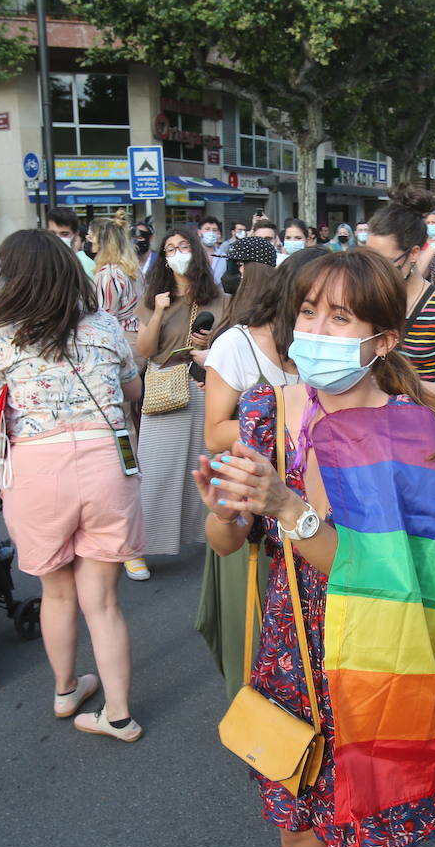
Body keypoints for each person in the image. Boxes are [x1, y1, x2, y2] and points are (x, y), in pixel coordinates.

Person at [195, 249, 435, 847]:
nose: (315, 330)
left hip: (387, 660)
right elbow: (227, 543)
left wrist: (287, 507)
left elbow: (389, 577)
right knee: (300, 827)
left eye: (340, 318)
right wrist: (227, 514)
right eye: (307, 312)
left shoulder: (414, 430)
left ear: (383, 339)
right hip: (297, 657)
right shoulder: (266, 414)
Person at [0, 229, 147, 740]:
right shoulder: (106, 327)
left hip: (35, 469)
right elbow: (133, 389)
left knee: (55, 592)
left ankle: (65, 687)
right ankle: (118, 713)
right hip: (105, 462)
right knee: (103, 600)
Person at [196, 242, 307, 697]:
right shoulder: (236, 343)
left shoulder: (327, 350)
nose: (322, 320)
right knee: (260, 627)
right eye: (312, 305)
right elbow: (215, 430)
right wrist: (284, 424)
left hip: (315, 505)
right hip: (255, 504)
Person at [135, 228, 228, 561]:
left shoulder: (218, 297)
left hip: (203, 383)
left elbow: (229, 346)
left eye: (183, 246)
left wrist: (209, 345)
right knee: (158, 468)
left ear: (197, 251)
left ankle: (207, 537)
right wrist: (159, 311)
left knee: (203, 465)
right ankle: (140, 547)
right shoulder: (153, 297)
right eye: (170, 248)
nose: (177, 253)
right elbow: (145, 350)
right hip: (164, 383)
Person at [364, 185, 435, 409]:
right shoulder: (365, 297)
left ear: (414, 253)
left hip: (422, 430)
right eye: (368, 258)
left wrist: (395, 386)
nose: (374, 270)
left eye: (384, 262)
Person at [87, 217, 143, 356]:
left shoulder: (109, 273)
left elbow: (104, 317)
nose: (88, 239)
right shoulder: (133, 269)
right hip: (139, 336)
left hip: (121, 341)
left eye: (91, 235)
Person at [47, 208, 95, 278]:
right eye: (52, 233)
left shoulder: (85, 265)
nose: (57, 238)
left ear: (75, 235)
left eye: (64, 234)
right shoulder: (43, 260)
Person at [198, 215, 227, 284]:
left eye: (214, 230)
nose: (211, 233)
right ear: (199, 232)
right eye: (207, 229)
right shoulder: (191, 255)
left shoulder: (223, 257)